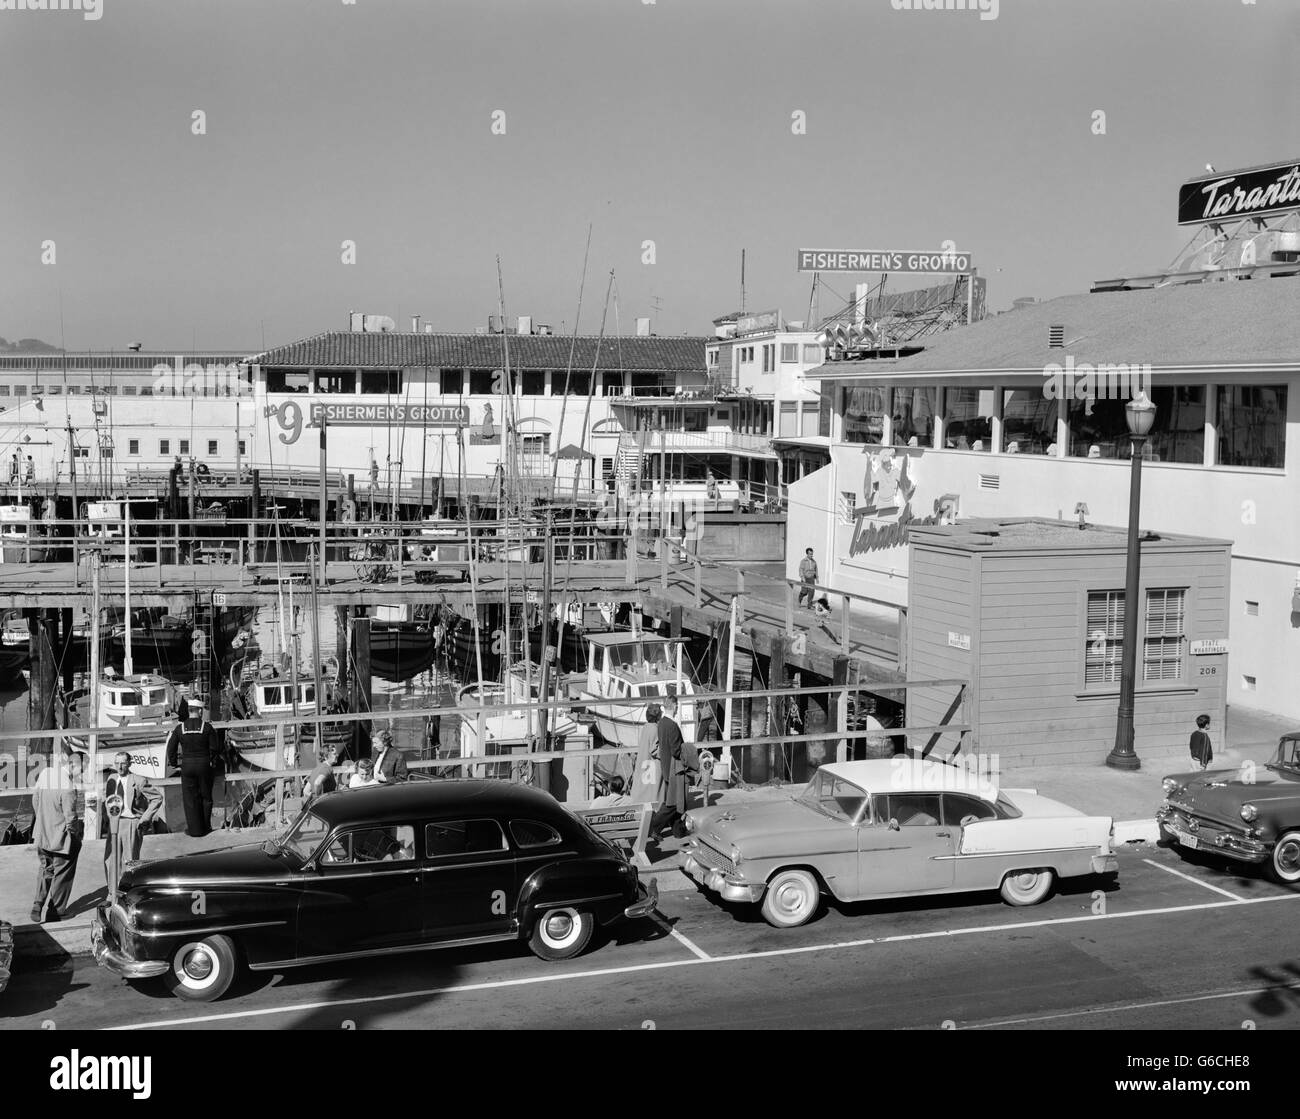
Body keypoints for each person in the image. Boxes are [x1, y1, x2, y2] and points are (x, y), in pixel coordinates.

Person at [31, 752, 85, 924]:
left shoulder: (46, 773)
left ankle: (37, 904)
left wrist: (42, 820)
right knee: (63, 873)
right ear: (73, 765)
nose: (82, 773)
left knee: (46, 868)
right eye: (82, 769)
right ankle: (56, 911)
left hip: (41, 833)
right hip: (60, 839)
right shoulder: (68, 787)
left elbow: (35, 799)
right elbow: (71, 818)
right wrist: (77, 835)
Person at [103, 751, 163, 902]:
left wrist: (145, 818)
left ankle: (130, 892)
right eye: (117, 763)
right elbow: (109, 800)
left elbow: (157, 798)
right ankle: (112, 892)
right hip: (115, 823)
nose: (120, 766)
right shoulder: (111, 779)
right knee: (111, 860)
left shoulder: (139, 780)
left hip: (131, 823)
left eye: (123, 763)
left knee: (131, 861)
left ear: (129, 764)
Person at [165, 698, 220, 837]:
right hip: (204, 765)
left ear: (190, 711)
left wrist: (173, 763)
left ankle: (195, 830)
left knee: (190, 798)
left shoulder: (180, 728)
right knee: (206, 797)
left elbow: (171, 748)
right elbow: (215, 748)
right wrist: (212, 761)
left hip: (187, 765)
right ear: (200, 711)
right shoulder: (207, 727)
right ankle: (206, 827)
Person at [651, 696, 698, 840]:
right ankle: (653, 827)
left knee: (674, 799)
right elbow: (676, 751)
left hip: (666, 766)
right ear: (674, 706)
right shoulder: (671, 725)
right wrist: (688, 749)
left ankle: (679, 831)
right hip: (674, 769)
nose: (678, 708)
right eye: (677, 705)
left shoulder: (661, 723)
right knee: (673, 803)